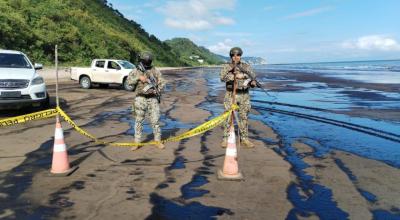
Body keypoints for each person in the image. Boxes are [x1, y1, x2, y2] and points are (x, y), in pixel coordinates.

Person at [127, 52, 166, 150]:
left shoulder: (155, 71)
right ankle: (137, 142)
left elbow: (162, 83)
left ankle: (157, 141)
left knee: (155, 120)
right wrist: (138, 78)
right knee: (138, 121)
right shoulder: (136, 70)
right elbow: (128, 82)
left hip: (152, 98)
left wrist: (157, 89)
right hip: (140, 98)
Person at [220, 47, 257, 148]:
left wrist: (251, 81)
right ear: (231, 56)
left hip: (244, 95)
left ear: (241, 56)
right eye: (233, 55)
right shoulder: (227, 66)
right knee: (228, 117)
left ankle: (244, 139)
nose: (236, 57)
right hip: (231, 95)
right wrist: (234, 76)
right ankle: (225, 139)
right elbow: (222, 77)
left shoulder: (246, 66)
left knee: (244, 117)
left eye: (238, 55)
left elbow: (252, 76)